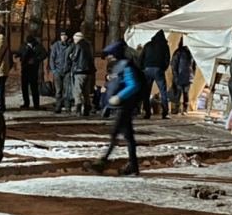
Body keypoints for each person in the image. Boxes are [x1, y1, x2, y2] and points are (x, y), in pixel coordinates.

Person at [92, 41, 145, 175]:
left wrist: (119, 97)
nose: (109, 57)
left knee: (115, 134)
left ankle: (102, 162)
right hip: (122, 105)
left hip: (125, 105)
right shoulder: (120, 65)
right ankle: (133, 166)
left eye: (110, 54)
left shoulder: (126, 66)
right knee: (128, 137)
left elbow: (133, 85)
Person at [140, 30, 172, 120]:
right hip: (158, 69)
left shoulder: (148, 45)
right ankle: (165, 113)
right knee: (163, 92)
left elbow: (141, 57)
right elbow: (167, 59)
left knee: (146, 92)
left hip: (147, 69)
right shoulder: (164, 46)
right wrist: (163, 68)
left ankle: (147, 113)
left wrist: (142, 68)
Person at [18, 30, 47, 110]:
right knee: (24, 87)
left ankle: (36, 104)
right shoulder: (23, 46)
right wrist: (19, 57)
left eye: (30, 43)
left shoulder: (38, 46)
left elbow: (44, 54)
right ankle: (26, 103)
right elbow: (19, 53)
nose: (29, 44)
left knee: (34, 88)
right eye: (28, 43)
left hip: (33, 69)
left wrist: (36, 59)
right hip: (25, 69)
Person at [69, 31, 95, 116]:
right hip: (89, 72)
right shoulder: (89, 45)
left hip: (79, 71)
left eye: (74, 39)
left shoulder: (78, 45)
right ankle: (87, 109)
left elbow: (75, 57)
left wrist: (71, 56)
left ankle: (78, 109)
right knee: (86, 92)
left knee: (77, 91)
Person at [49, 30, 72, 113]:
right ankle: (58, 107)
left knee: (67, 91)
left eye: (65, 35)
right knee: (58, 90)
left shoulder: (71, 46)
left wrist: (71, 69)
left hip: (67, 71)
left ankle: (67, 107)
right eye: (62, 35)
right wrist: (54, 70)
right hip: (58, 71)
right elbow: (52, 58)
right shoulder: (56, 46)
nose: (64, 37)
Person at [170, 37, 195, 114]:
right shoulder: (190, 52)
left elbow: (173, 64)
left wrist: (175, 75)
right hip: (187, 76)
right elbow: (194, 66)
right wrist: (192, 74)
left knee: (179, 93)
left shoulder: (178, 52)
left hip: (180, 76)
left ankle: (177, 109)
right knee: (184, 93)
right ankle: (184, 109)